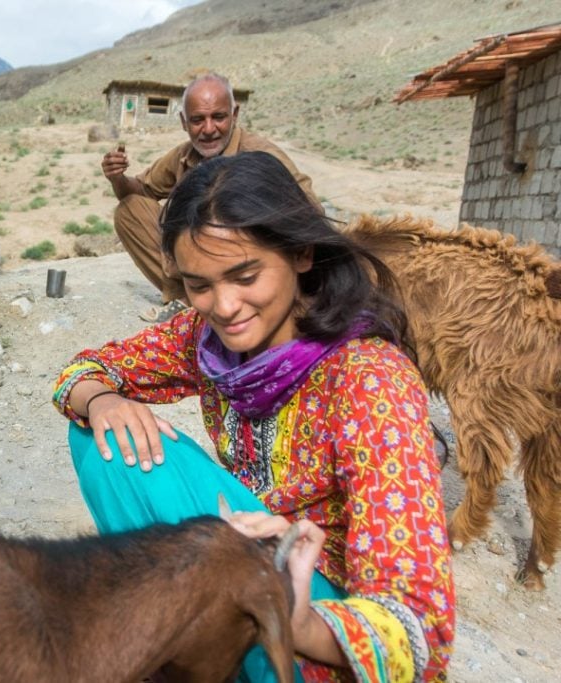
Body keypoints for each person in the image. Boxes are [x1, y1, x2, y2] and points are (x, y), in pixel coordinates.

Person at [53, 151, 455, 682]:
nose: (224, 305)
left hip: (316, 610)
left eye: (245, 275)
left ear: (301, 253)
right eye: (200, 285)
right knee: (101, 437)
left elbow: (421, 633)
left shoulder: (370, 379)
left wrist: (300, 620)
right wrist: (103, 401)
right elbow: (81, 372)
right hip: (246, 551)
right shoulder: (207, 339)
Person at [101, 73, 318, 322]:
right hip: (201, 265)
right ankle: (189, 300)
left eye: (218, 117)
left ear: (234, 115)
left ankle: (239, 303)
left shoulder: (260, 155)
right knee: (131, 209)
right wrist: (117, 178)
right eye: (197, 120)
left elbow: (310, 212)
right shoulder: (185, 155)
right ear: (184, 122)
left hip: (244, 265)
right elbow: (140, 190)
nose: (208, 129)